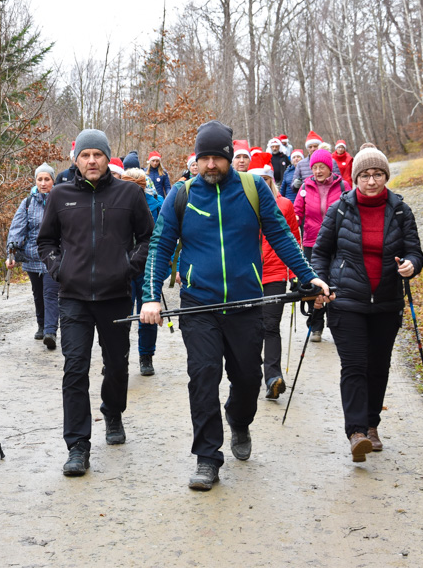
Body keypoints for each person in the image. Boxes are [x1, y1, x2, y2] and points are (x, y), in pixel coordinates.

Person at [139, 120, 330, 491]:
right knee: (203, 377)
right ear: (196, 159)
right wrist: (150, 296)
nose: (210, 165)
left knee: (247, 379)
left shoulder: (253, 188)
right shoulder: (183, 194)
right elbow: (161, 246)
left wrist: (309, 278)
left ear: (229, 157)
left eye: (217, 157)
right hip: (200, 306)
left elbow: (282, 236)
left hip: (246, 303)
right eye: (204, 157)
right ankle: (207, 457)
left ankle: (239, 421)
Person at [37, 129, 154, 477]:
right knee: (75, 368)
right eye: (85, 155)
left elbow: (149, 236)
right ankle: (77, 446)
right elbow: (46, 241)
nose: (91, 161)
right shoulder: (60, 196)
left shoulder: (129, 194)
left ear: (107, 158)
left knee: (116, 365)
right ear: (76, 159)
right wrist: (60, 269)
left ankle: (113, 412)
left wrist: (129, 268)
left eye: (98, 155)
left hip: (115, 296)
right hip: (73, 298)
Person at [311, 147, 423, 462]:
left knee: (378, 366)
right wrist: (320, 281)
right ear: (355, 178)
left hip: (387, 302)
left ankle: (372, 424)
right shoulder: (341, 209)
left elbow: (415, 250)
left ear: (386, 176)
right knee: (355, 365)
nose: (371, 181)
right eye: (364, 175)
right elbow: (320, 251)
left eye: (377, 174)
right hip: (347, 300)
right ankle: (357, 432)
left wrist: (411, 265)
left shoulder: (400, 210)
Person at [247, 153, 303, 400]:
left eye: (266, 179)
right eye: (257, 180)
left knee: (270, 326)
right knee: (249, 328)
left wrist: (296, 273)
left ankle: (272, 377)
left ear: (271, 180)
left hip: (275, 274)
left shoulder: (285, 205)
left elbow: (293, 239)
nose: (262, 184)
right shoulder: (240, 204)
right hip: (246, 276)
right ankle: (248, 375)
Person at [293, 148, 351, 342]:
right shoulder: (304, 188)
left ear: (329, 167)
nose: (317, 171)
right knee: (313, 285)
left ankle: (339, 326)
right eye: (314, 167)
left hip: (338, 243)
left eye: (322, 167)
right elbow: (297, 213)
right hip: (312, 243)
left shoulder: (343, 186)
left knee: (338, 284)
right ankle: (316, 325)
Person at [6, 163, 59, 349]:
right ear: (35, 181)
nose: (43, 183)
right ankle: (42, 324)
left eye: (47, 179)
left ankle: (50, 331)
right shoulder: (28, 202)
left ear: (53, 180)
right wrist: (10, 253)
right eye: (40, 179)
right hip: (32, 256)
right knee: (38, 294)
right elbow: (17, 229)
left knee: (50, 293)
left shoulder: (60, 200)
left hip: (53, 257)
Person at [123, 167, 164, 376]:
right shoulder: (117, 205)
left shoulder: (157, 206)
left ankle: (146, 356)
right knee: (122, 313)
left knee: (147, 312)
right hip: (122, 268)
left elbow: (164, 238)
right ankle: (117, 356)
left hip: (147, 267)